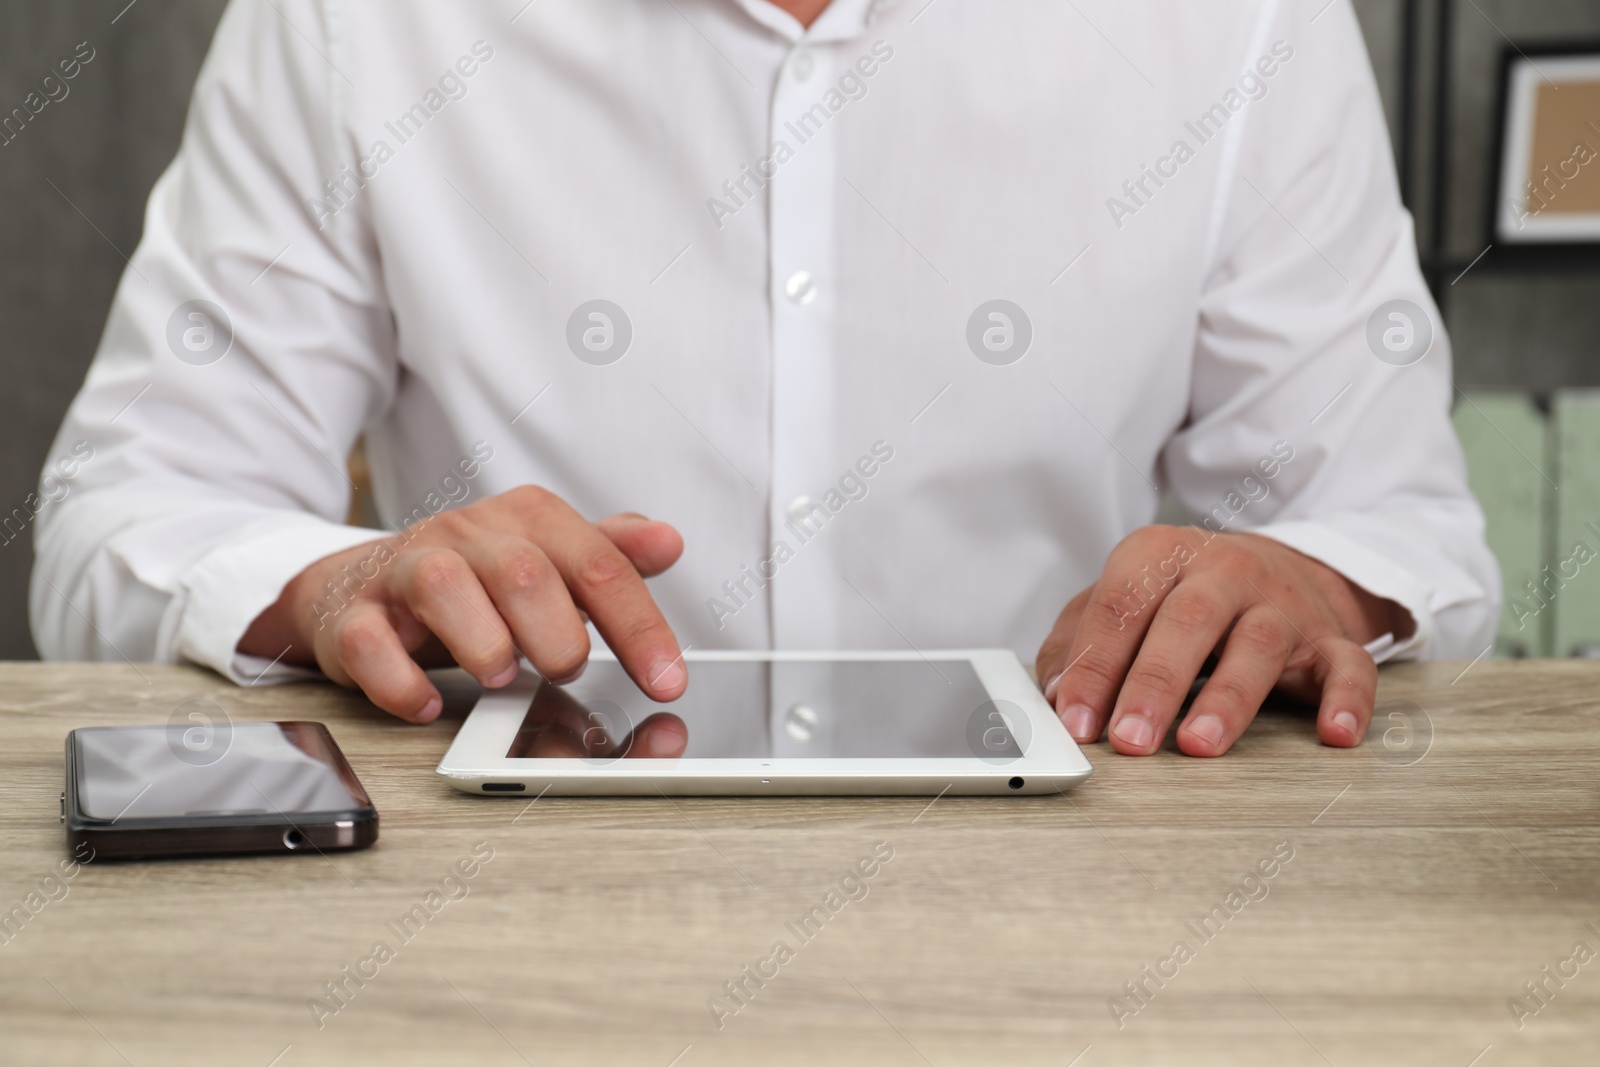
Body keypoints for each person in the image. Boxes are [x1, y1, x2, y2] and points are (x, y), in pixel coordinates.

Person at [31, 0, 1499, 759]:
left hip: (1080, 929)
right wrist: (338, 583)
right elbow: (126, 509)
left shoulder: (1237, 23)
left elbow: (1394, 528)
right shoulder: (355, 21)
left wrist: (1309, 583)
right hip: (501, 949)